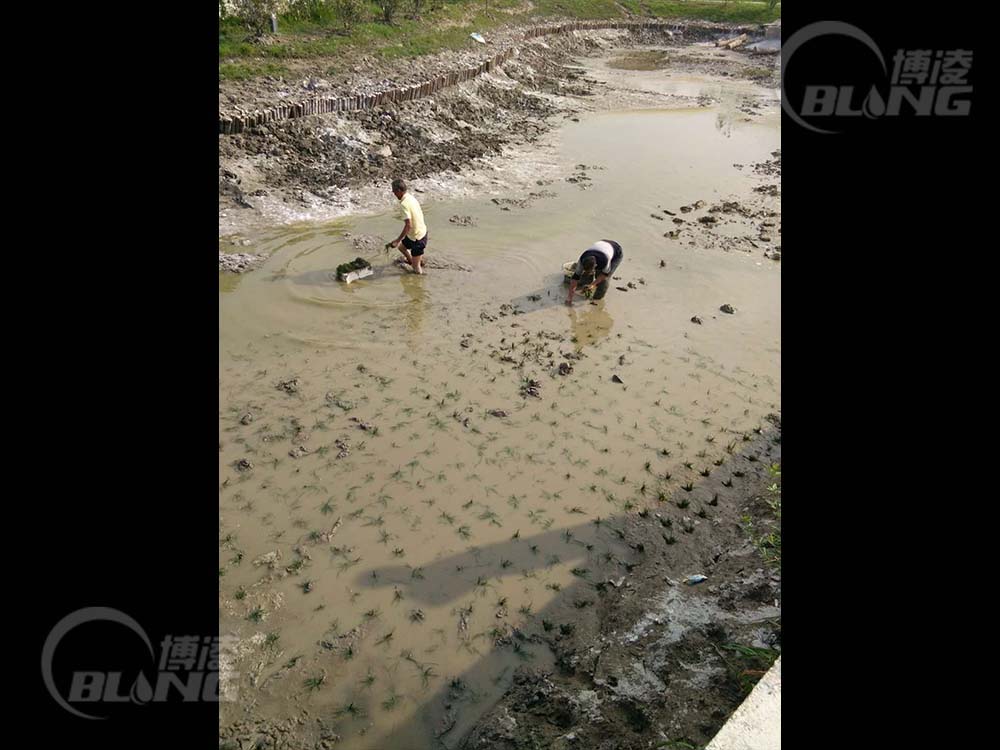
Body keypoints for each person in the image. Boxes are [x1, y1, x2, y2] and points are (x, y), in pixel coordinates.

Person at [388, 179, 428, 275]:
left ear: (399, 191)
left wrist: (397, 240)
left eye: (394, 191)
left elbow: (408, 225)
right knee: (402, 248)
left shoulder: (404, 204)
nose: (393, 193)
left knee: (416, 269)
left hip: (417, 238)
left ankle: (418, 279)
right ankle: (413, 261)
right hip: (419, 232)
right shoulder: (410, 197)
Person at [565, 240, 624, 305]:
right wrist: (569, 297)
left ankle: (597, 298)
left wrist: (592, 284)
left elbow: (604, 275)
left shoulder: (604, 261)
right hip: (602, 245)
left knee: (604, 281)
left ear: (595, 266)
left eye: (590, 271)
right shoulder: (582, 260)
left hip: (617, 252)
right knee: (584, 275)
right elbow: (575, 278)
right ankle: (587, 285)